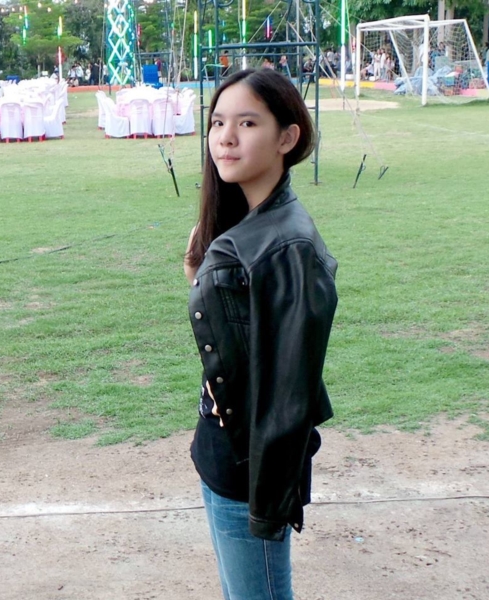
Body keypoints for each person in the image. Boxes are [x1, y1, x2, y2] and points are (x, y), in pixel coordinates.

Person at [184, 68, 338, 600]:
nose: (226, 138)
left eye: (247, 123)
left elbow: (289, 395)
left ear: (287, 137)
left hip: (249, 468)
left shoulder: (289, 247)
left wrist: (268, 506)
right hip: (219, 449)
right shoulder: (239, 223)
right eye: (218, 122)